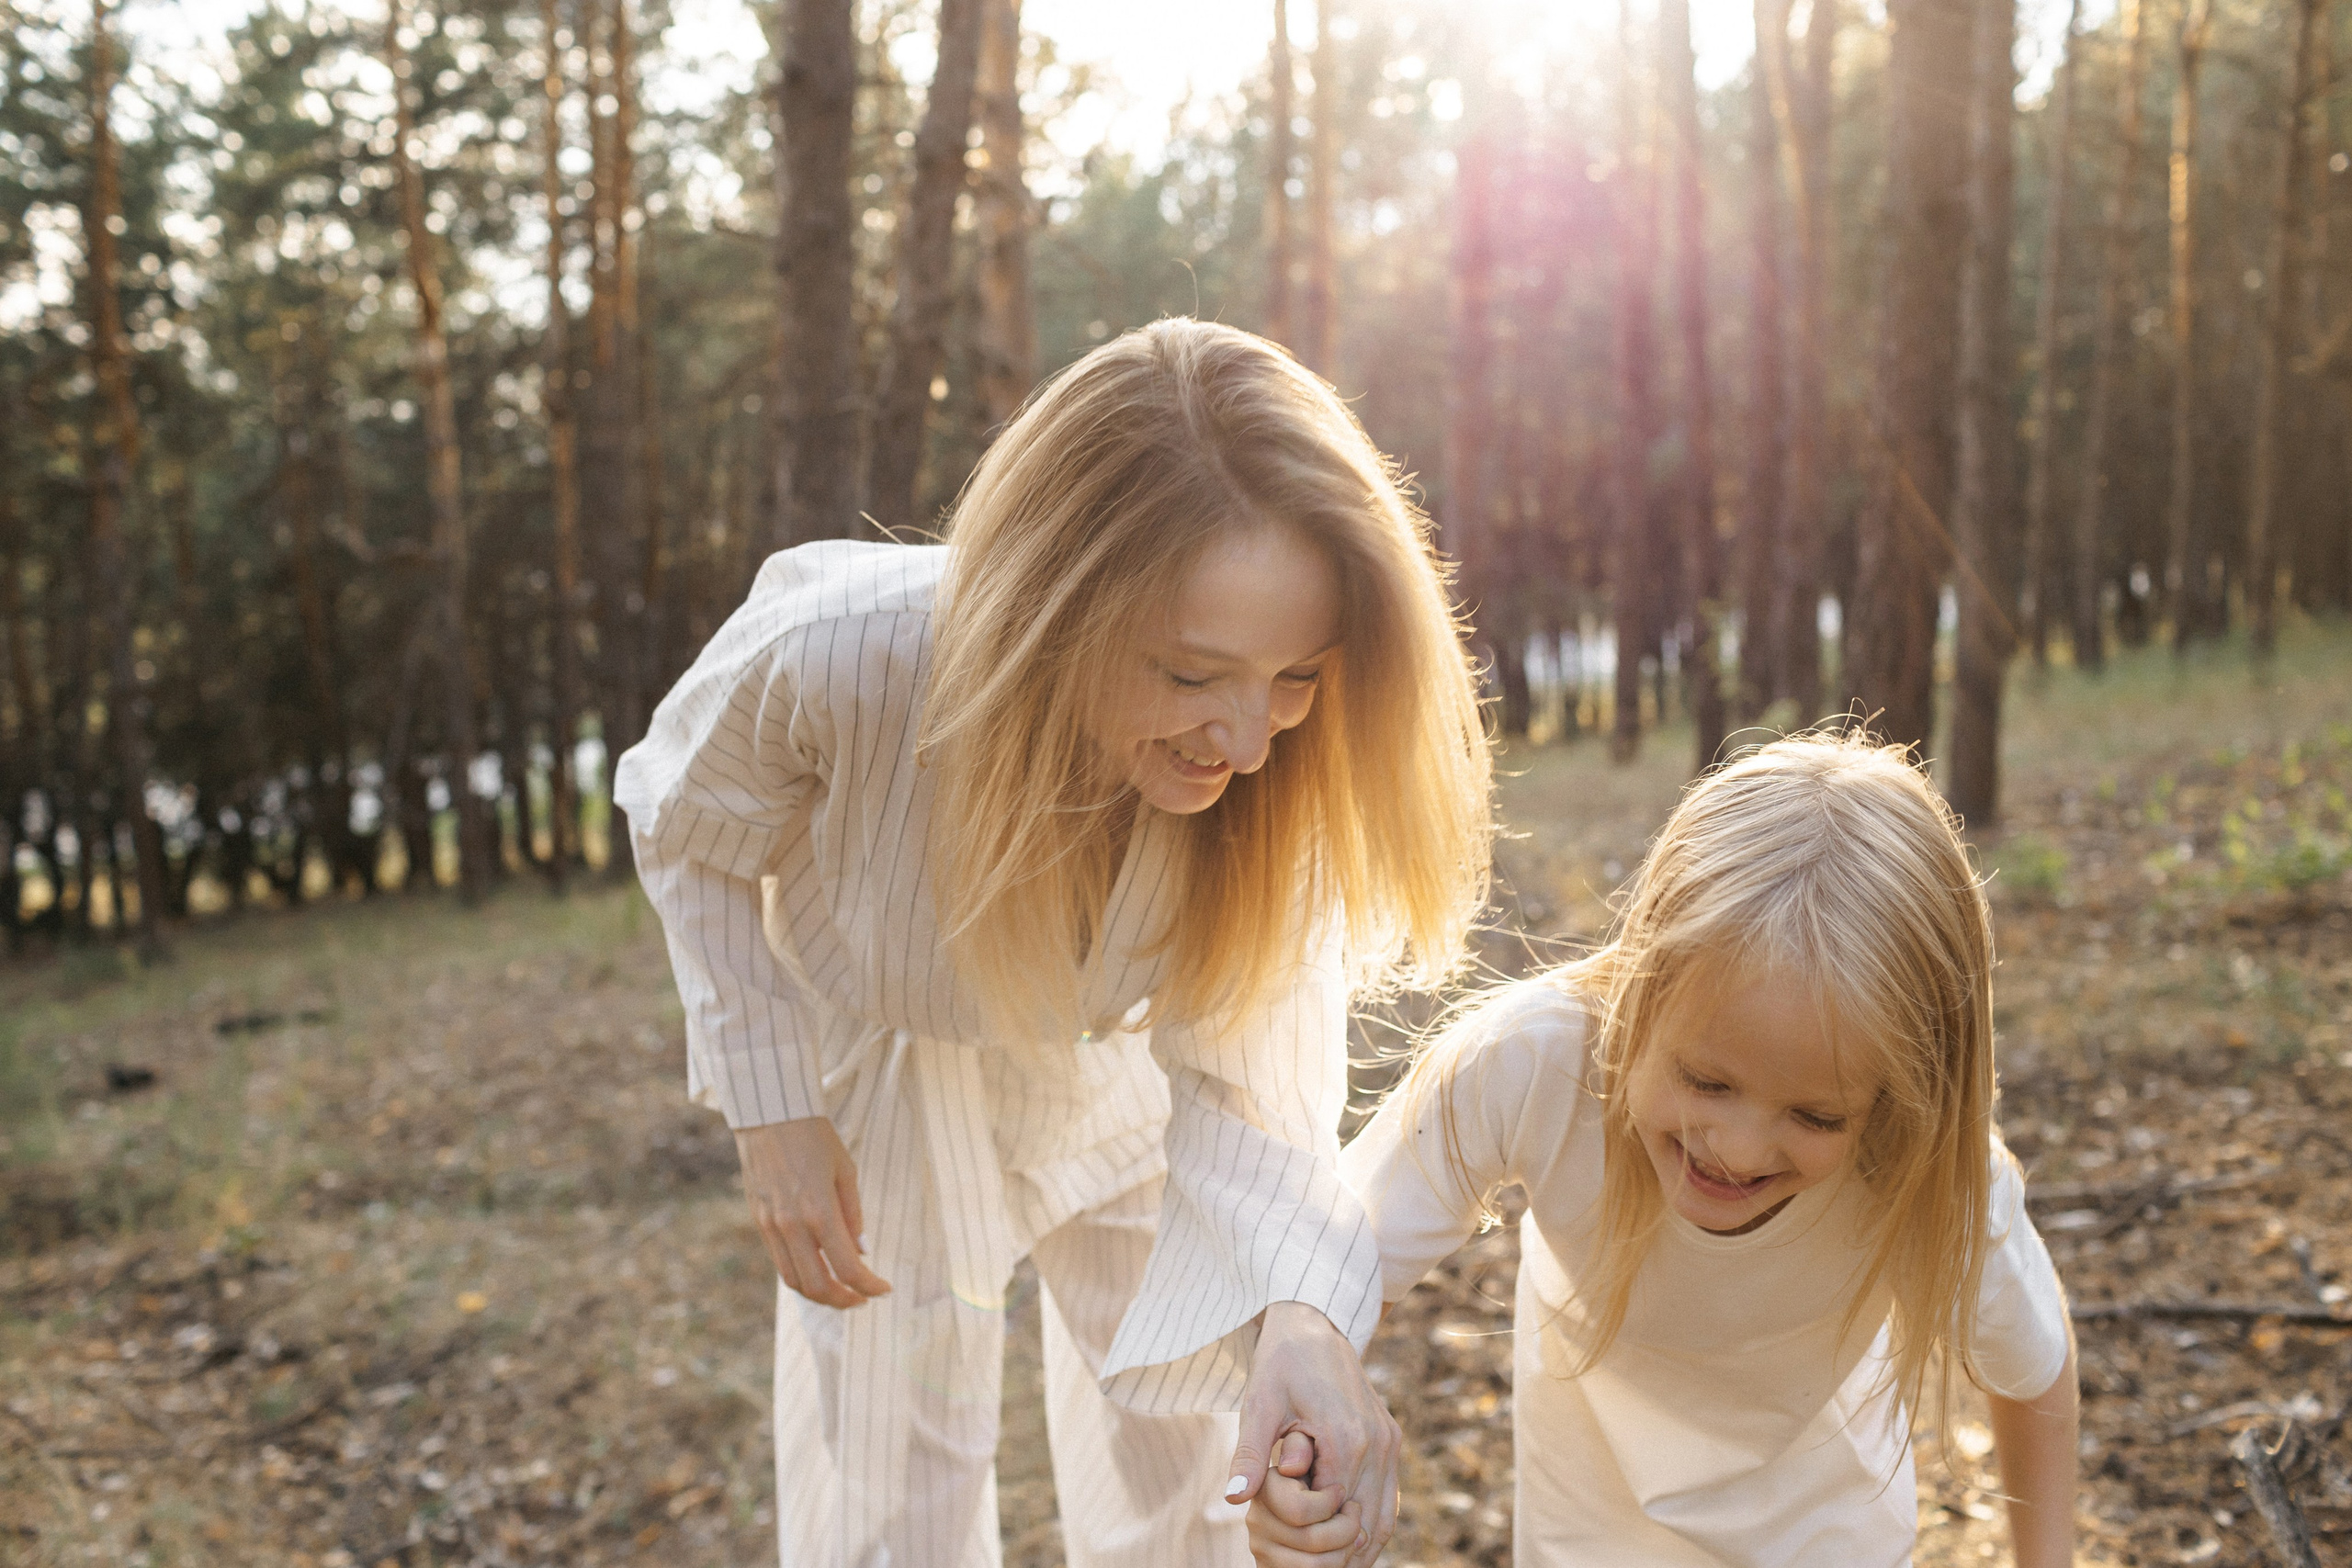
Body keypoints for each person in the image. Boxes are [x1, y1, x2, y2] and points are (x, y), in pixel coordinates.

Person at [613, 318, 1494, 1566]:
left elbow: (1253, 1080)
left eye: (1296, 676)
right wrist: (773, 1106)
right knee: (888, 1456)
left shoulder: (1273, 789)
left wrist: (1304, 1324)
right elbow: (684, 820)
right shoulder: (840, 656)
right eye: (1192, 673)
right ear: (1051, 603)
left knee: (1183, 1443)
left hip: (1122, 1056)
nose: (1246, 738)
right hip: (891, 1053)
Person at [1248, 732, 2079, 1566]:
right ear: (1642, 988)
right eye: (1706, 1081)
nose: (1740, 1148)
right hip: (1588, 1537)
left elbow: (2034, 1366)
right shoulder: (1537, 1063)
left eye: (1817, 1117)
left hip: (1829, 1539)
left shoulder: (1922, 1160)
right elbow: (1332, 1267)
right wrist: (1317, 1414)